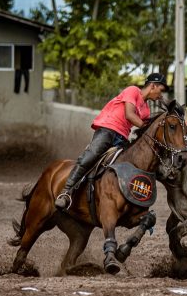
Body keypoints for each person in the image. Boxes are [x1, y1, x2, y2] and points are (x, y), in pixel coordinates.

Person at [54, 73, 169, 210]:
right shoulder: (132, 90)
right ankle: (66, 192)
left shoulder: (146, 110)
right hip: (107, 129)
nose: (161, 95)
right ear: (153, 85)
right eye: (160, 90)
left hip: (122, 138)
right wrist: (147, 127)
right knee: (92, 154)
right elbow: (130, 114)